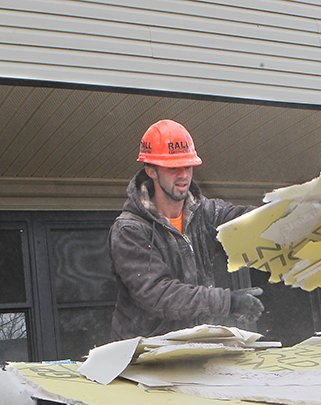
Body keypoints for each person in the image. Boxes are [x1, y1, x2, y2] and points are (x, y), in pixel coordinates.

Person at [109, 119, 264, 340]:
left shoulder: (206, 213)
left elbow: (247, 221)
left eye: (188, 166)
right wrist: (227, 302)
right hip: (146, 356)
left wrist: (290, 214)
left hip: (193, 345)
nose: (183, 175)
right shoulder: (129, 231)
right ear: (151, 170)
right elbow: (160, 294)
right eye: (173, 168)